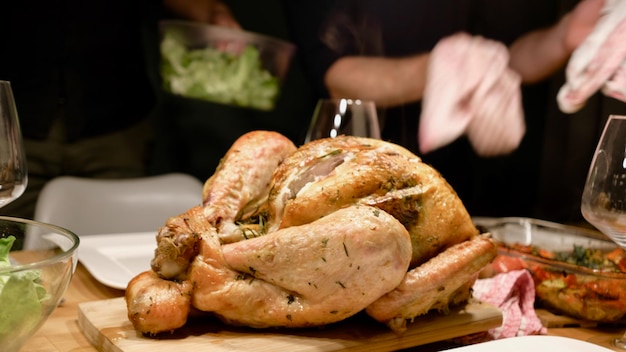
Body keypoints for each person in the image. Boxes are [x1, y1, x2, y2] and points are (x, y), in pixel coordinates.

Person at [282, 0, 626, 223]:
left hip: (464, 193)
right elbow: (337, 76)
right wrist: (444, 66)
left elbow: (508, 59)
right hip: (344, 180)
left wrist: (564, 37)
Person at [0, 0, 240, 220]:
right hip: (13, 128)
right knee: (10, 241)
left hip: (114, 124)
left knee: (121, 235)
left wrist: (213, 12)